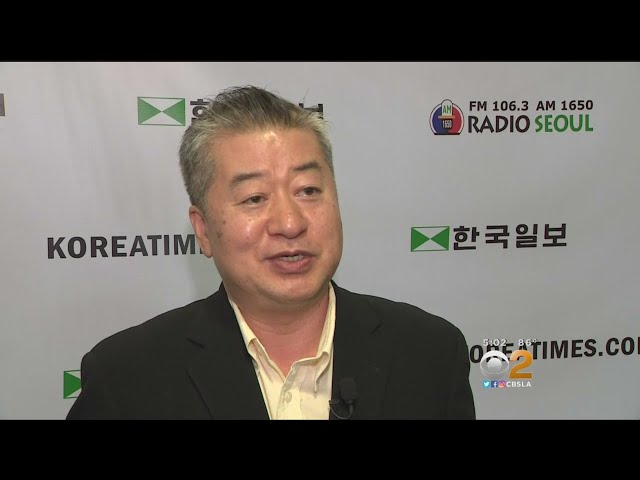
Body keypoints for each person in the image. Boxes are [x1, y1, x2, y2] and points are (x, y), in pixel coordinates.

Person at [67, 85, 475, 420]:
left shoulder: (430, 353)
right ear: (203, 229)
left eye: (308, 191)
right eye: (254, 198)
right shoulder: (127, 379)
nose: (290, 222)